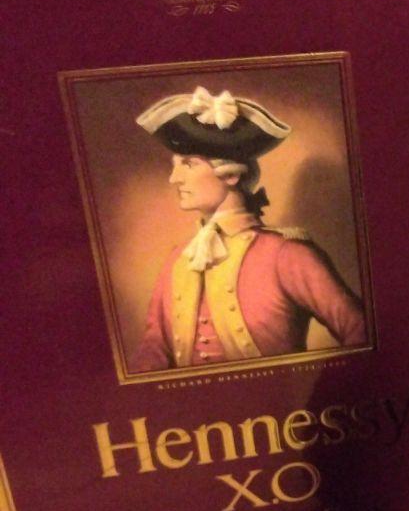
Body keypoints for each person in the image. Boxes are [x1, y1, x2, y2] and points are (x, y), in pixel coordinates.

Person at [131, 86, 368, 373]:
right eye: (175, 166)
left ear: (231, 175)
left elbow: (360, 330)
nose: (174, 178)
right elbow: (153, 349)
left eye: (188, 165)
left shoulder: (287, 254)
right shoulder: (177, 260)